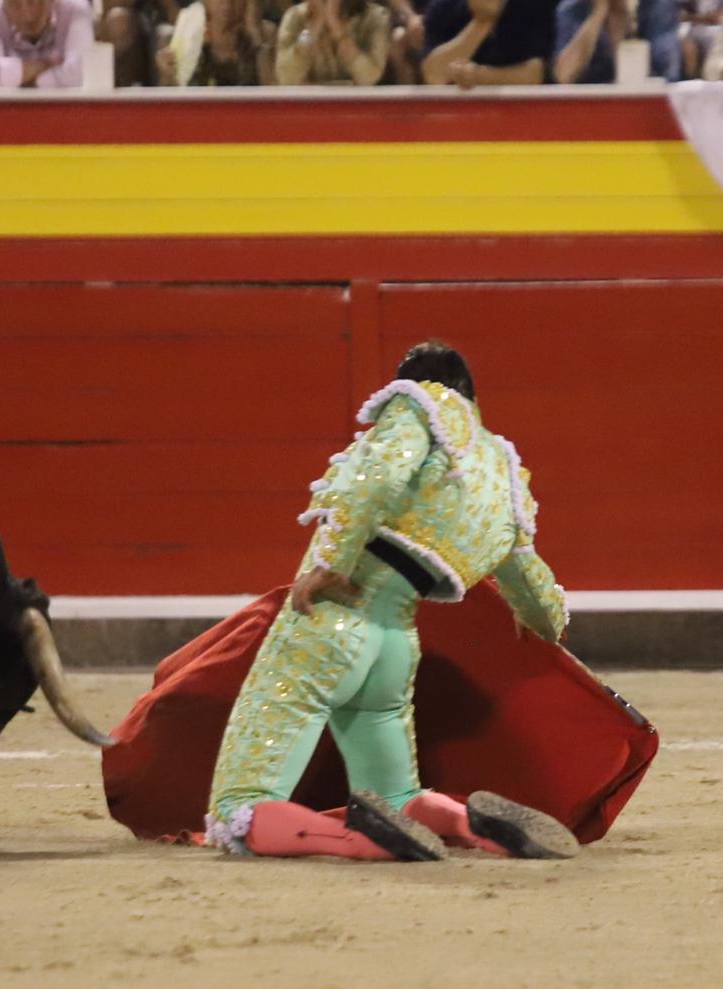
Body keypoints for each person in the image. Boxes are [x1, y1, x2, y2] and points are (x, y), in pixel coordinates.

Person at [205, 341, 578, 862]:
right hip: (395, 646)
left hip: (329, 625)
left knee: (238, 809)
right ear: (473, 396)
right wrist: (547, 624)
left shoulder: (417, 405)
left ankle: (363, 840)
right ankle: (468, 825)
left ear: (409, 384)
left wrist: (333, 562)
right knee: (397, 796)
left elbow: (380, 476)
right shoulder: (501, 471)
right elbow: (532, 588)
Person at [420, 0, 554, 86]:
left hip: (524, 112)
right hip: (461, 114)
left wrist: (479, 76)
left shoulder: (536, 5)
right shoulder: (443, 7)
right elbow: (434, 75)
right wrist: (482, 22)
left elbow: (536, 74)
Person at [0, 0, 94, 87]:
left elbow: (80, 75)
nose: (27, 16)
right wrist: (44, 66)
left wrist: (17, 79)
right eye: (15, 3)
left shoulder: (76, 9)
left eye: (35, 2)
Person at [157, 0, 273, 86]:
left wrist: (254, 34)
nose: (227, 2)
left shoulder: (264, 36)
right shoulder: (185, 37)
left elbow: (273, 98)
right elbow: (169, 99)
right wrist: (167, 76)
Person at [275, 0, 390, 83]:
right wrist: (313, 27)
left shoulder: (376, 17)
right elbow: (287, 77)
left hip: (357, 103)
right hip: (309, 104)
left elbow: (369, 77)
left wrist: (335, 24)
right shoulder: (294, 16)